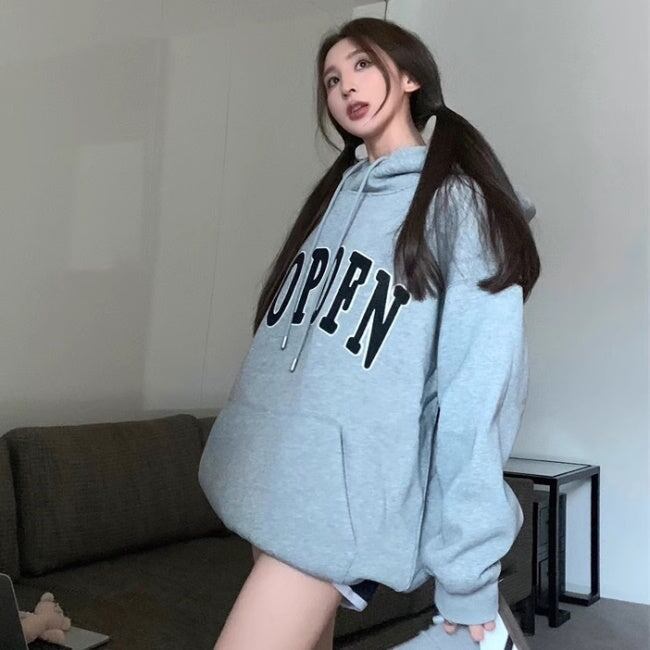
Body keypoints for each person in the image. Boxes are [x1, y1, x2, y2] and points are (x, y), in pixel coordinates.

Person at [198, 15, 540, 650]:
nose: (345, 87)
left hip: (342, 507)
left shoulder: (461, 207)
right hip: (272, 481)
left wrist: (467, 571)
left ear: (409, 77)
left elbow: (477, 396)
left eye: (362, 65)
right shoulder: (332, 200)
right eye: (331, 79)